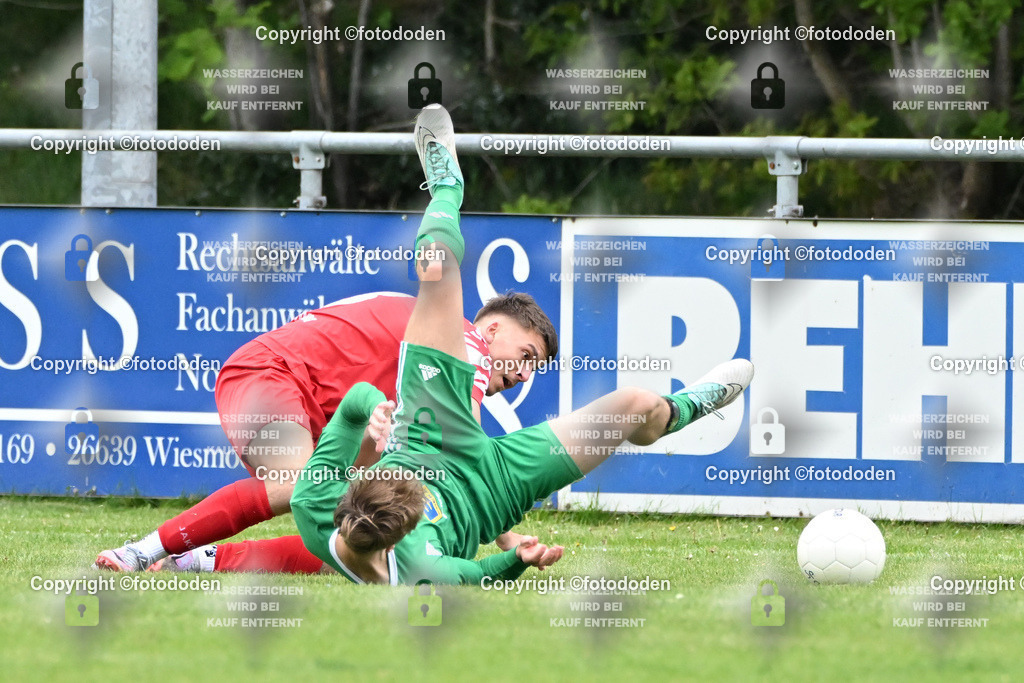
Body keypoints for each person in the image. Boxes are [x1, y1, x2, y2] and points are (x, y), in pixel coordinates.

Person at [279, 104, 756, 584]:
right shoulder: (422, 569)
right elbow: (475, 574)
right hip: (493, 486)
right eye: (527, 358)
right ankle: (687, 408)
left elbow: (357, 401)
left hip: (425, 431)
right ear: (401, 531)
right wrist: (516, 558)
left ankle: (447, 187)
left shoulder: (314, 507)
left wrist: (369, 409)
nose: (526, 376)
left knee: (437, 266)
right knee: (636, 404)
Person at [95, 286, 557, 572]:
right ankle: (141, 551)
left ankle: (196, 561)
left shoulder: (439, 346)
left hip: (308, 400)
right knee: (301, 486)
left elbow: (457, 463)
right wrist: (503, 538)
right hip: (271, 373)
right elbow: (467, 464)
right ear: (492, 330)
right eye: (528, 355)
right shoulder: (465, 343)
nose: (524, 374)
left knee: (360, 531)